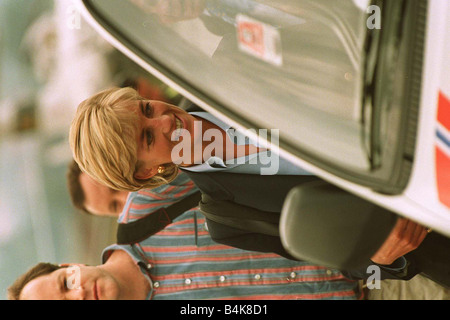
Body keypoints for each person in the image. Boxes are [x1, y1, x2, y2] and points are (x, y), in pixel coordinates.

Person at [68, 87, 441, 283]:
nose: (164, 120)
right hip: (431, 234)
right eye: (148, 139)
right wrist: (381, 259)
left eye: (147, 109)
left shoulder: (221, 72)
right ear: (146, 174)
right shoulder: (228, 220)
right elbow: (340, 258)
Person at [9, 208, 363, 300]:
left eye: (66, 283)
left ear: (71, 265)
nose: (81, 293)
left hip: (358, 227)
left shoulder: (143, 211)